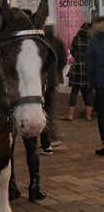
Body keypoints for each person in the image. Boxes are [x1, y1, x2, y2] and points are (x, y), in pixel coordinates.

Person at [40, 19, 68, 153]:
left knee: (44, 110)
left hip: (44, 82)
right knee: (50, 109)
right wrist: (58, 71)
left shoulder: (41, 42)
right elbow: (63, 59)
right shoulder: (57, 42)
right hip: (52, 80)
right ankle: (51, 137)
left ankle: (47, 141)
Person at [61, 22, 94, 121]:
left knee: (74, 92)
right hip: (89, 69)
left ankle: (69, 115)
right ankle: (88, 116)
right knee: (88, 92)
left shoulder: (76, 38)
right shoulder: (92, 39)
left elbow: (72, 52)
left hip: (77, 69)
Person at [86, 17, 104, 155]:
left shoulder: (94, 41)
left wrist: (91, 82)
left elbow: (90, 65)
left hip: (100, 84)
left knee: (102, 115)